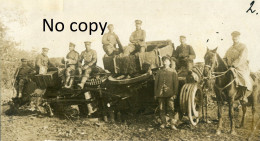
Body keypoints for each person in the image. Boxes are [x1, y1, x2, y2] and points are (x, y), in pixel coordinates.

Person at [223, 31, 252, 103]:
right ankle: (222, 95)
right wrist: (224, 64)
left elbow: (242, 57)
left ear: (239, 37)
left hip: (240, 67)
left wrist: (233, 65)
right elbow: (224, 58)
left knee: (243, 78)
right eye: (233, 37)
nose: (234, 38)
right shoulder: (230, 48)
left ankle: (243, 96)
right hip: (229, 67)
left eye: (236, 37)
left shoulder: (243, 46)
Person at [154, 56, 179, 130]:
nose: (165, 62)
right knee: (161, 109)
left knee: (171, 108)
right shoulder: (159, 72)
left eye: (167, 61)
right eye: (164, 61)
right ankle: (163, 123)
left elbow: (176, 83)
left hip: (170, 93)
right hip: (160, 93)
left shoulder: (173, 71)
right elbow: (156, 83)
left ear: (169, 62)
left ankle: (172, 124)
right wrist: (156, 94)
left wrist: (175, 93)